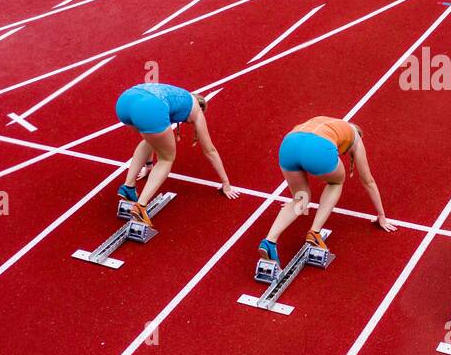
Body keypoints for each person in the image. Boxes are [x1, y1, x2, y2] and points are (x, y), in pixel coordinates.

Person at [258, 115, 395, 265]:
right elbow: (368, 181)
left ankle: (269, 242)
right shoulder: (355, 137)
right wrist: (381, 215)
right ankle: (314, 233)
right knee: (336, 182)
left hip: (289, 144)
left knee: (300, 199)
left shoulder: (328, 123)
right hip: (317, 148)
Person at [114, 82, 238, 225]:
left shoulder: (179, 96)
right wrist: (225, 183)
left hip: (126, 100)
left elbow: (150, 140)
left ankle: (128, 186)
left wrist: (148, 166)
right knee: (166, 158)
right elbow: (210, 150)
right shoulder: (196, 109)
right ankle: (141, 206)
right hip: (149, 107)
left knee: (150, 138)